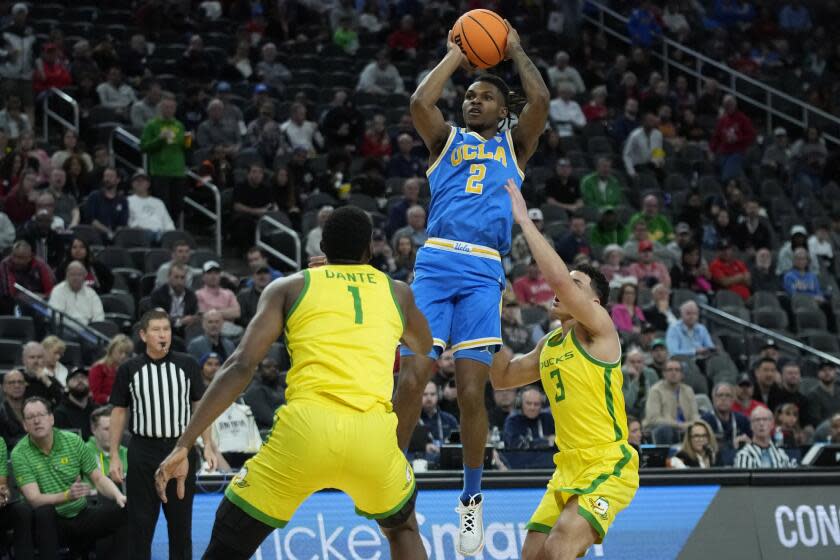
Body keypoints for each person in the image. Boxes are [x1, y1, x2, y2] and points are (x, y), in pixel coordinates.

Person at [155, 206, 433, 559]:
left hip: (307, 433)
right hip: (373, 438)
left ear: (322, 248)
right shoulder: (397, 293)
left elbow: (240, 366)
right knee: (402, 526)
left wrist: (185, 442)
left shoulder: (290, 286)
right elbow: (425, 345)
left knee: (231, 531)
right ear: (370, 251)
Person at [392, 22, 549, 554]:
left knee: (470, 392)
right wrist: (457, 58)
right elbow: (420, 100)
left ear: (503, 109)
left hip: (484, 270)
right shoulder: (444, 140)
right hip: (435, 265)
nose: (472, 101)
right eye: (469, 97)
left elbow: (541, 99)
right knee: (413, 375)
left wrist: (516, 51)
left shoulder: (516, 144)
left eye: (485, 96)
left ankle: (472, 499)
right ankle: (390, 478)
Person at [490, 181, 638, 558]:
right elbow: (502, 377)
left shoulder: (600, 331)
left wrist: (523, 220)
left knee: (559, 547)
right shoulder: (549, 345)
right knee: (534, 555)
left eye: (577, 284)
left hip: (608, 462)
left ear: (595, 301)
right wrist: (484, 311)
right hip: (566, 467)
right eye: (567, 281)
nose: (564, 287)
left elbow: (556, 279)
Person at [108, 310, 216, 560]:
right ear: (143, 335)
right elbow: (119, 411)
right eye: (156, 330)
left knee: (180, 526)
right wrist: (114, 454)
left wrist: (208, 444)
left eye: (166, 329)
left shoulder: (187, 364)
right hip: (142, 451)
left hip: (180, 450)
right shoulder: (129, 369)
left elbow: (200, 407)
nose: (162, 335)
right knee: (140, 526)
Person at [12, 397, 128, 560]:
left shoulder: (72, 441)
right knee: (44, 513)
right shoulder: (20, 453)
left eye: (41, 415)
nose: (37, 421)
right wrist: (68, 495)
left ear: (51, 418)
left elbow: (99, 479)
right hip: (49, 523)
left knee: (124, 511)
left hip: (80, 513)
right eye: (31, 417)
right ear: (24, 425)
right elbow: (34, 499)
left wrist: (118, 496)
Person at [140, 94, 188, 223]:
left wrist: (189, 141)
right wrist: (159, 139)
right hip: (160, 172)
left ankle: (173, 232)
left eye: (171, 107)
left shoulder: (179, 125)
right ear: (160, 108)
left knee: (178, 206)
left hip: (178, 171)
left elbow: (184, 147)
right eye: (166, 107)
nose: (169, 110)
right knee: (162, 206)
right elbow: (143, 147)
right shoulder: (152, 125)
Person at [644, 360, 700, 444]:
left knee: (705, 422)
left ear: (682, 374)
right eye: (670, 370)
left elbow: (694, 414)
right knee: (666, 429)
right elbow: (653, 419)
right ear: (664, 373)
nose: (673, 373)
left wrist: (695, 424)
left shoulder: (688, 390)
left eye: (677, 370)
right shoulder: (655, 391)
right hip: (664, 430)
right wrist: (680, 425)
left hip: (686, 429)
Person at [702, 382, 752, 466]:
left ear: (733, 399)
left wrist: (747, 442)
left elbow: (752, 442)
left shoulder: (742, 419)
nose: (723, 399)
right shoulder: (706, 420)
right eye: (720, 395)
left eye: (727, 395)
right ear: (713, 399)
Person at [150, 263, 200, 339]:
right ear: (169, 277)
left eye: (182, 277)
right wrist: (180, 322)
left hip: (185, 332)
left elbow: (194, 315)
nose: (179, 281)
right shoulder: (158, 294)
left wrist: (193, 319)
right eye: (176, 277)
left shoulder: (191, 296)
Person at [48, 261, 104, 327]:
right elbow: (55, 316)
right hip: (65, 330)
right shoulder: (58, 290)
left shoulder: (91, 293)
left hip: (88, 331)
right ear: (67, 275)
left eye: (79, 275)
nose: (76, 278)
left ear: (84, 276)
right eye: (72, 274)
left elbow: (99, 316)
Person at [85, 405, 128, 484]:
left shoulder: (128, 453)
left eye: (115, 428)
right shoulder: (83, 454)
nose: (112, 433)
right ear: (93, 429)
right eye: (107, 429)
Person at [419, 381, 460, 462]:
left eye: (432, 394)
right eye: (425, 394)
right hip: (420, 464)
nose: (429, 398)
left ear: (439, 396)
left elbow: (458, 446)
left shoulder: (450, 420)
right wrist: (423, 447)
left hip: (445, 463)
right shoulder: (413, 421)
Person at [127, 168, 174, 239]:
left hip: (160, 236)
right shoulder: (127, 201)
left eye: (143, 180)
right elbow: (127, 222)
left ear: (148, 184)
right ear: (132, 184)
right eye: (137, 180)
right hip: (139, 235)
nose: (140, 182)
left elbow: (168, 223)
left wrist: (170, 235)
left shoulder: (158, 202)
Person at [84, 167, 128, 242]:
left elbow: (122, 223)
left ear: (118, 180)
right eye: (106, 176)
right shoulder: (94, 196)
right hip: (95, 235)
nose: (107, 179)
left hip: (115, 237)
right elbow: (91, 220)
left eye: (110, 176)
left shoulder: (122, 200)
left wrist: (116, 235)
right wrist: (108, 232)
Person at [88, 335, 134, 406]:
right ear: (111, 350)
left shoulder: (128, 370)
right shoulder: (98, 368)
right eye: (120, 352)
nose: (123, 356)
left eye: (127, 353)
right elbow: (95, 396)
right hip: (102, 407)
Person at [243, 357, 285, 431]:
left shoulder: (280, 388)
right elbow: (269, 419)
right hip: (267, 432)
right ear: (258, 371)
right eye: (268, 367)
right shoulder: (255, 391)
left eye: (276, 367)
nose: (273, 369)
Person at [53, 368, 95, 440]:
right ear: (66, 387)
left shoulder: (96, 410)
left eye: (83, 377)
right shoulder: (60, 413)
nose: (80, 380)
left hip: (97, 451)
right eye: (75, 378)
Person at [21, 342, 63, 408]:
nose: (36, 361)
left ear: (44, 360)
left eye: (39, 357)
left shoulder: (50, 381)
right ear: (24, 360)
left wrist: (47, 381)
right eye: (32, 357)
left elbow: (64, 401)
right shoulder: (16, 379)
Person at [0, 369, 27, 448]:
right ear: (4, 387)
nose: (17, 386)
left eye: (20, 382)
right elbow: (4, 442)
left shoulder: (32, 408)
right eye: (11, 382)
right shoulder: (1, 413)